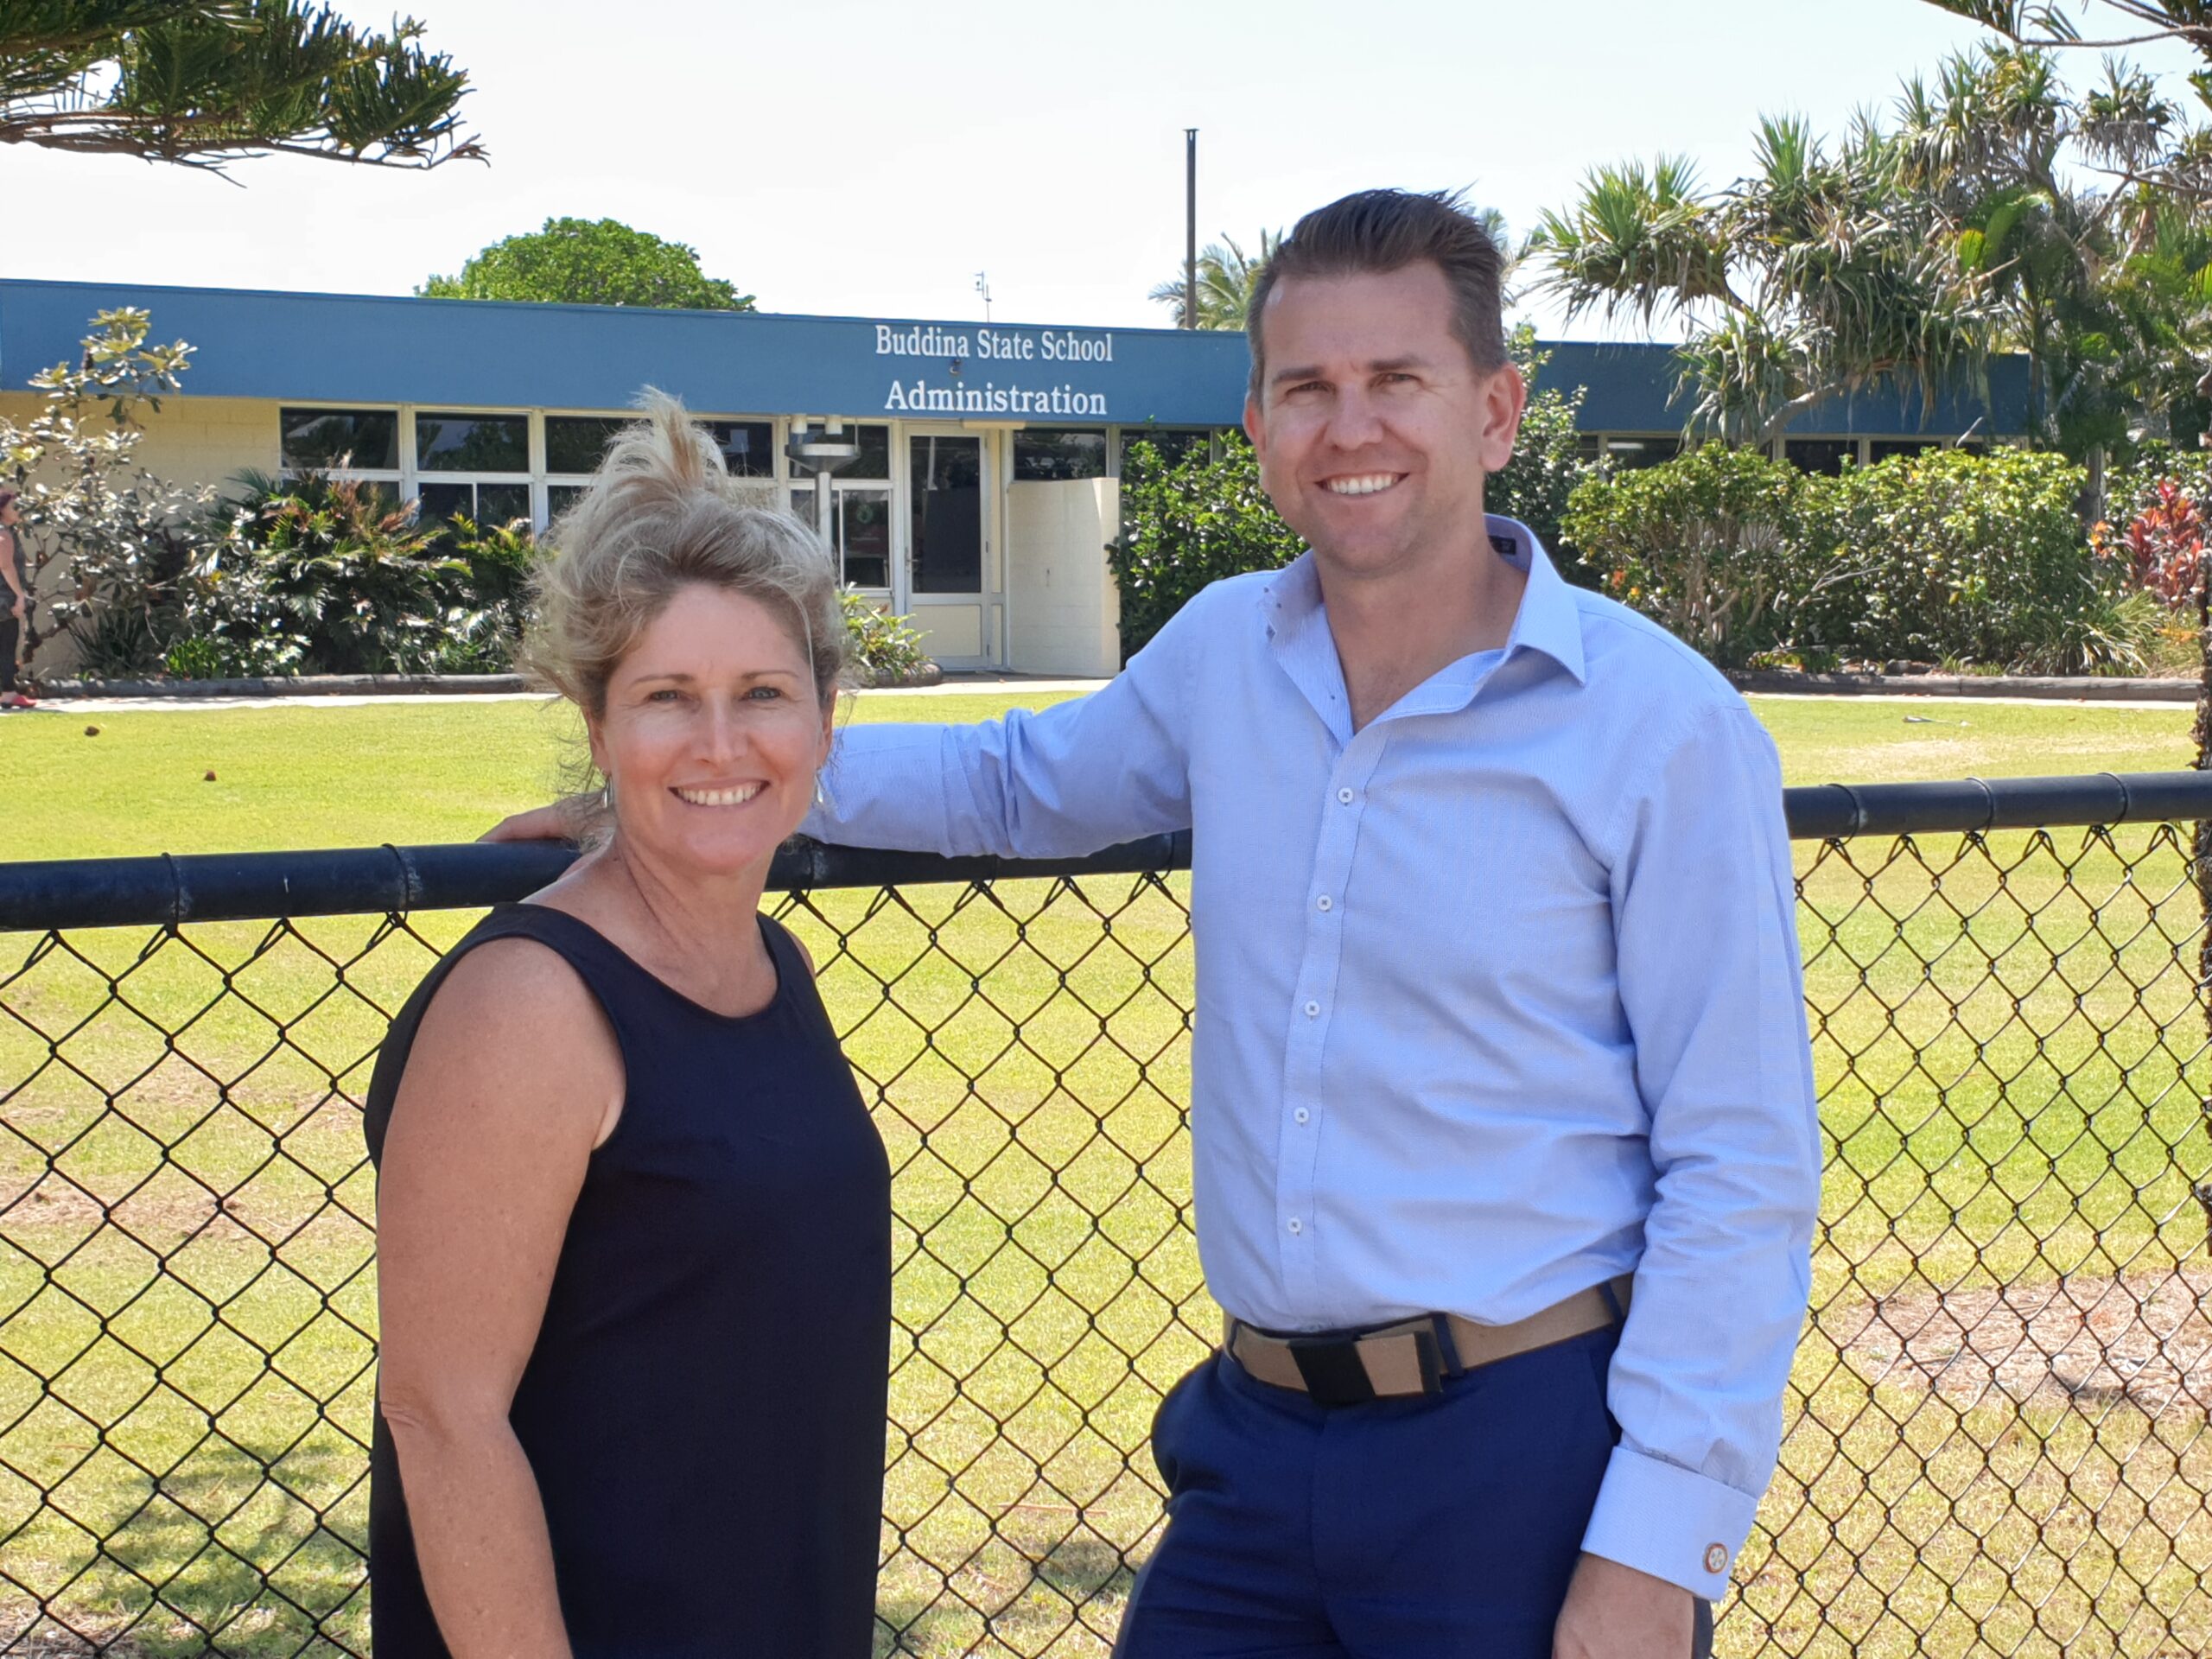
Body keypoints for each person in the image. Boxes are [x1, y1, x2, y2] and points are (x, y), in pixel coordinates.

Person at [493, 187, 1823, 1659]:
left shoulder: (1661, 729)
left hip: (1519, 1455)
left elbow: (1742, 1166)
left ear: (1497, 411)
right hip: (1253, 1453)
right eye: (1307, 388)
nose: (1351, 428)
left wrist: (1654, 1548)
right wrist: (722, 773)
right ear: (1257, 427)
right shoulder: (1226, 657)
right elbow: (1015, 783)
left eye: (1400, 381)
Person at [370, 397, 891, 1658]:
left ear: (826, 718)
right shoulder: (533, 1005)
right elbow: (443, 1420)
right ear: (600, 729)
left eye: (763, 691)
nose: (721, 743)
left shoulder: (773, 962)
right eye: (668, 698)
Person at [0, 490, 34, 709]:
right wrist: (20, 596)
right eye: (14, 507)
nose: (18, 511)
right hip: (4, 598)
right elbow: (5, 566)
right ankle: (9, 693)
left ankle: (8, 691)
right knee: (6, 646)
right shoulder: (4, 534)